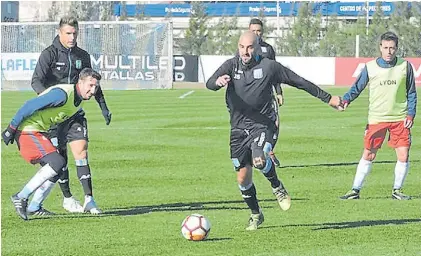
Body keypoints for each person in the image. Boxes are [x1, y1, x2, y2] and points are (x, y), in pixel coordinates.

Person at [206, 31, 343, 230]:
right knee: (243, 178)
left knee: (259, 159)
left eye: (250, 47)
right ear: (238, 46)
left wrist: (328, 98)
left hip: (264, 124)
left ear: (257, 47)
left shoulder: (269, 66)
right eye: (242, 47)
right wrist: (217, 83)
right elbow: (210, 83)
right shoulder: (230, 65)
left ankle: (276, 186)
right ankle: (256, 214)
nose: (245, 51)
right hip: (237, 128)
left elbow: (300, 81)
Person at [27, 16, 112, 215]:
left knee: (81, 150)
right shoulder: (49, 54)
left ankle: (89, 199)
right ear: (60, 32)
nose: (72, 37)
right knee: (60, 159)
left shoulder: (83, 55)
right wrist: (47, 100)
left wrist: (103, 107)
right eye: (68, 33)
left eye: (75, 33)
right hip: (54, 117)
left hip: (74, 113)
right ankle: (67, 198)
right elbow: (36, 81)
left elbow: (92, 83)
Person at [2, 68, 102, 220]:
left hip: (39, 131)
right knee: (57, 161)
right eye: (90, 85)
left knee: (58, 167)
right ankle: (21, 196)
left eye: (96, 86)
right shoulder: (62, 94)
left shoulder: (78, 99)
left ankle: (35, 206)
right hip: (28, 131)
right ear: (80, 82)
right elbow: (30, 105)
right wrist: (11, 128)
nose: (93, 90)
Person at [339, 31, 417, 200]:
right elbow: (357, 87)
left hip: (400, 119)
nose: (389, 51)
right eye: (386, 47)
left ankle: (397, 190)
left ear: (397, 49)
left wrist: (411, 114)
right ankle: (355, 190)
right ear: (380, 47)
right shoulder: (370, 67)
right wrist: (346, 100)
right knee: (369, 154)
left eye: (392, 48)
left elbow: (411, 92)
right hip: (377, 119)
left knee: (403, 155)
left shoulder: (405, 66)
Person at [249, 18, 282, 167]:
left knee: (275, 124)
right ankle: (257, 153)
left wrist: (279, 91)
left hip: (268, 94)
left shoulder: (268, 49)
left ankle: (268, 150)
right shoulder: (243, 50)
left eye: (258, 31)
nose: (256, 33)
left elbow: (275, 73)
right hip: (250, 95)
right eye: (253, 31)